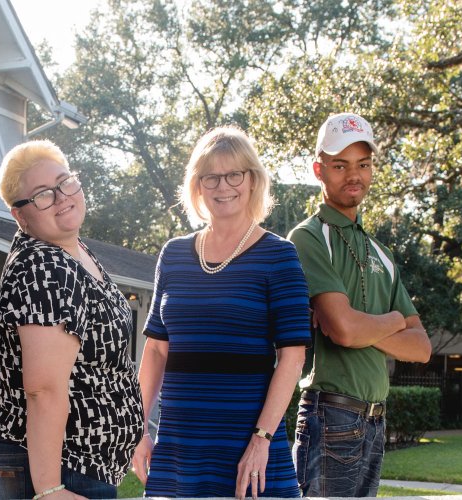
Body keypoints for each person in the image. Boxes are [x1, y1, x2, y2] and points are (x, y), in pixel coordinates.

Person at [133, 127, 309, 499]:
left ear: (253, 180)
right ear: (197, 185)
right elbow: (156, 351)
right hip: (180, 450)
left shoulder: (279, 256)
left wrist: (261, 440)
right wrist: (138, 429)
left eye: (234, 174)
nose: (222, 185)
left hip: (250, 449)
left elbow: (292, 356)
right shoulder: (174, 255)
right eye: (210, 176)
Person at [0, 140, 144, 500]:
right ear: (19, 215)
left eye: (65, 182)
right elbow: (44, 390)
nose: (61, 196)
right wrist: (50, 490)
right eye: (42, 195)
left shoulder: (74, 250)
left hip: (79, 460)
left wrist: (13, 380)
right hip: (62, 464)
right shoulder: (45, 265)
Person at [290, 112, 432, 498]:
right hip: (330, 413)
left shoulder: (380, 253)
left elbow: (421, 348)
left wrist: (364, 326)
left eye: (363, 164)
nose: (354, 175)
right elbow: (344, 330)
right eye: (340, 165)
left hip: (374, 420)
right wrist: (392, 321)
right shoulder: (308, 238)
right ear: (319, 169)